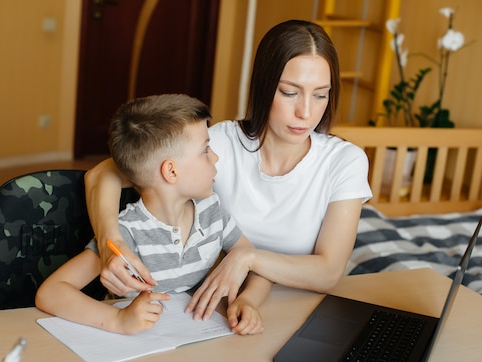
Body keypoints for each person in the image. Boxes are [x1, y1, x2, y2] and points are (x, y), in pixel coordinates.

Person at [84, 20, 372, 321]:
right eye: (290, 93)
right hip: (215, 310)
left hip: (300, 312)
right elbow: (101, 175)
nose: (306, 112)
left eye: (321, 95)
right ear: (264, 86)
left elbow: (327, 273)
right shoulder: (219, 144)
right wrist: (110, 244)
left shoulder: (345, 161)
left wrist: (247, 257)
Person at [36, 94, 271, 335]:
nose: (215, 157)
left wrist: (249, 300)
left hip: (191, 337)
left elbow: (257, 263)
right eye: (206, 150)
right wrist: (118, 319)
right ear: (171, 170)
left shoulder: (212, 211)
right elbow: (51, 292)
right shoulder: (129, 233)